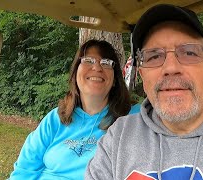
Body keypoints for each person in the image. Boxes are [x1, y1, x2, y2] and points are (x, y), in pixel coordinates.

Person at [85, 4, 203, 180]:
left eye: (188, 52)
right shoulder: (119, 136)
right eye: (154, 56)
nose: (171, 68)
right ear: (142, 76)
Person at [9, 39, 135, 180]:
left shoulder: (133, 117)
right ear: (75, 74)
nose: (97, 68)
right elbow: (24, 171)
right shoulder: (55, 119)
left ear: (115, 80)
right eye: (88, 60)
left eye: (106, 63)